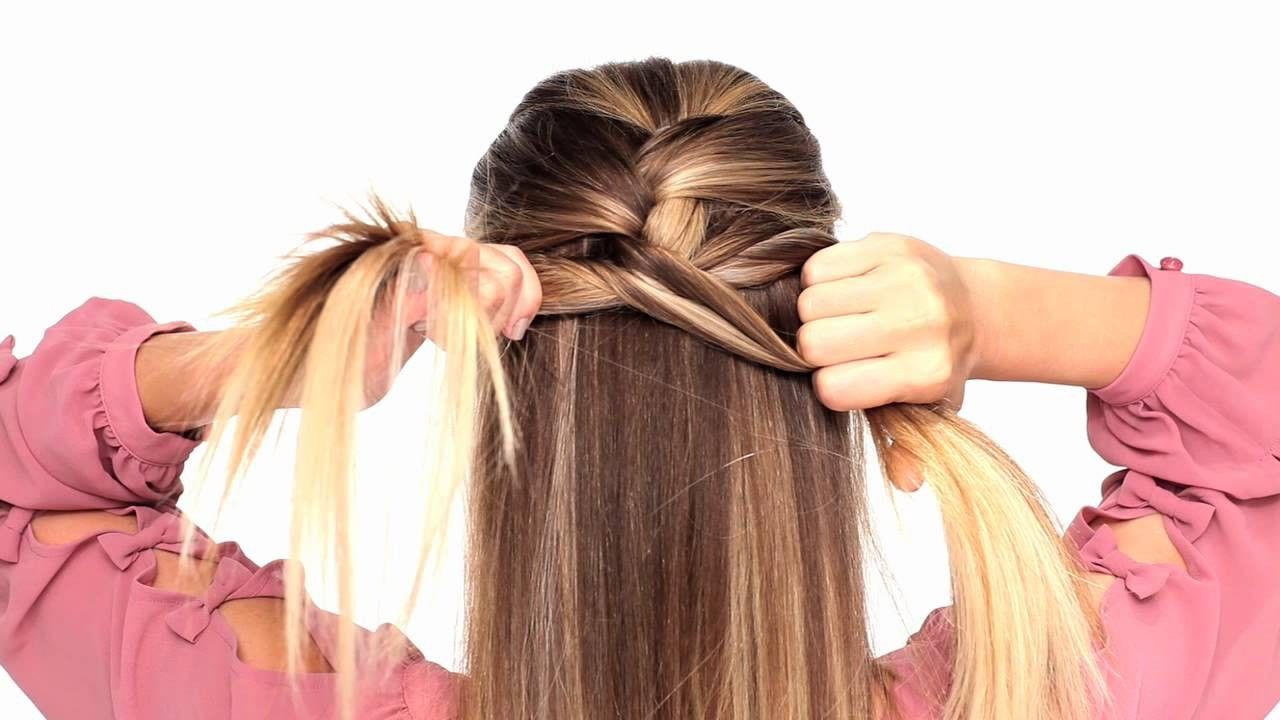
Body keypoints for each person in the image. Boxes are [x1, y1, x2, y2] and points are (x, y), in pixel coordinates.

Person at [1, 58, 1278, 720]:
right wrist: (993, 315)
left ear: (488, 391)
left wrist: (265, 361)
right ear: (825, 353)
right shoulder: (1046, 692)